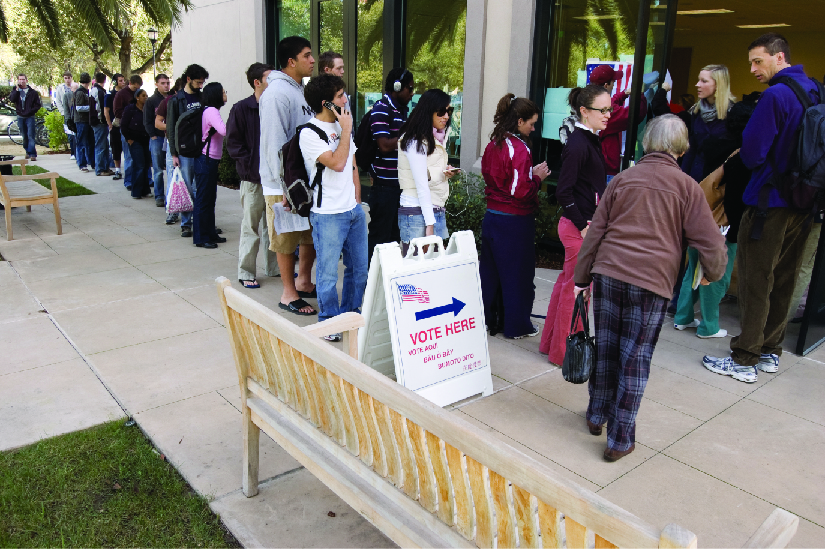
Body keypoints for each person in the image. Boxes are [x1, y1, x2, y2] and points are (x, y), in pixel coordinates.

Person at [574, 115, 727, 462]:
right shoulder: (688, 187)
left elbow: (596, 231)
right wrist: (713, 274)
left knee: (607, 348)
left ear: (646, 144)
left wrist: (582, 278)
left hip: (610, 272)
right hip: (652, 282)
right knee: (634, 359)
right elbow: (711, 243)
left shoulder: (623, 180)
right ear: (683, 148)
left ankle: (596, 415)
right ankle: (620, 438)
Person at [703, 33, 822, 383]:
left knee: (757, 279)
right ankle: (770, 351)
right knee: (785, 279)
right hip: (806, 202)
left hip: (769, 202)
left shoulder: (775, 96)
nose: (753, 69)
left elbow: (752, 153)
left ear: (779, 56)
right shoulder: (815, 90)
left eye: (758, 61)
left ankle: (744, 358)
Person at [540, 85, 610, 365]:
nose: (608, 115)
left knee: (567, 287)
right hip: (578, 227)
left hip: (579, 225)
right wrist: (583, 225)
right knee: (576, 291)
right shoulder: (579, 144)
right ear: (584, 111)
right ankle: (563, 353)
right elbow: (563, 191)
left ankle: (552, 346)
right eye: (602, 110)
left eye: (609, 109)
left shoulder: (586, 140)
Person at [674, 101, 755, 339]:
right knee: (716, 275)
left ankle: (682, 317)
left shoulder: (711, 145)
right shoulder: (742, 156)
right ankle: (709, 326)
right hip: (722, 224)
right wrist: (734, 231)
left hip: (700, 216)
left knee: (693, 269)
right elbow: (734, 200)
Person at [301, 74, 367, 339]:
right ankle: (328, 321)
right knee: (328, 273)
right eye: (340, 96)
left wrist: (357, 202)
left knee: (359, 269)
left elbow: (351, 166)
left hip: (352, 211)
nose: (346, 99)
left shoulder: (342, 128)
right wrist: (347, 130)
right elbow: (337, 162)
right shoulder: (309, 132)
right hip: (327, 214)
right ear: (326, 103)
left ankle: (350, 316)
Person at [480, 94, 550, 339]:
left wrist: (528, 175)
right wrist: (537, 178)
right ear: (519, 121)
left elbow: (500, 181)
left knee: (490, 274)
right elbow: (520, 191)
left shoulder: (493, 144)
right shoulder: (519, 148)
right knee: (518, 276)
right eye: (531, 123)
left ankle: (489, 321)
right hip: (515, 221)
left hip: (492, 217)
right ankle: (517, 326)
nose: (533, 129)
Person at [260, 36, 317, 315]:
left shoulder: (299, 90)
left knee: (307, 235)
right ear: (291, 61)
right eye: (307, 55)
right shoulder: (276, 94)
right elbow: (273, 143)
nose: (313, 60)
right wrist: (284, 185)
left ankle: (304, 281)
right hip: (282, 184)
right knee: (285, 237)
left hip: (303, 181)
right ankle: (288, 292)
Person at [227, 63, 280, 288]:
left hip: (275, 180)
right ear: (257, 82)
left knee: (274, 228)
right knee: (251, 226)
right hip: (253, 180)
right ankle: (246, 271)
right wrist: (250, 166)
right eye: (269, 78)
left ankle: (274, 268)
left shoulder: (276, 105)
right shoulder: (241, 109)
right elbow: (233, 143)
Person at [397, 89, 457, 254]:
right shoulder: (414, 140)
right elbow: (421, 184)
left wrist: (445, 172)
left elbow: (429, 174)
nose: (446, 116)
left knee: (433, 272)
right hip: (417, 212)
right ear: (429, 111)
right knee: (415, 274)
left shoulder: (436, 137)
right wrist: (430, 226)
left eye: (449, 111)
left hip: (434, 209)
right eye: (441, 111)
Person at [366, 67, 416, 262]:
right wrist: (408, 136)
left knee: (395, 238)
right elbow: (384, 145)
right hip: (384, 187)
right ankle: (372, 282)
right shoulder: (381, 108)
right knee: (380, 238)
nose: (411, 94)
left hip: (399, 185)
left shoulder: (401, 110)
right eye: (409, 89)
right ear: (397, 87)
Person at [165, 64, 209, 237]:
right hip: (184, 150)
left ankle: (199, 220)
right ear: (188, 79)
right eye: (198, 82)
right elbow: (171, 128)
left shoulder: (202, 97)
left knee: (201, 187)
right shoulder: (176, 101)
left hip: (202, 148)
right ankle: (186, 222)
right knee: (187, 187)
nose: (201, 85)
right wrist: (174, 153)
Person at [589, 64, 647, 177]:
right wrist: (640, 94)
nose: (614, 85)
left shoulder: (592, 102)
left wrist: (624, 94)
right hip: (605, 171)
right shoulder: (606, 112)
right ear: (606, 85)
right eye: (613, 83)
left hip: (596, 165)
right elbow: (635, 114)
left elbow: (612, 103)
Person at [681, 65, 736, 182]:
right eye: (698, 80)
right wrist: (682, 177)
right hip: (694, 177)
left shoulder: (733, 113)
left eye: (704, 81)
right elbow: (692, 148)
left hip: (717, 180)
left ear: (718, 85)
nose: (697, 84)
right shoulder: (696, 111)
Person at [192, 83, 228, 249]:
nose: (225, 94)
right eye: (223, 92)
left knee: (209, 198)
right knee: (203, 199)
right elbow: (223, 130)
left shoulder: (210, 111)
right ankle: (201, 237)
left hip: (208, 159)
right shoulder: (211, 111)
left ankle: (210, 232)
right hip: (206, 160)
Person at [156, 76, 184, 226]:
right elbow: (157, 122)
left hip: (190, 145)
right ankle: (172, 211)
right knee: (173, 178)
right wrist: (173, 128)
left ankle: (190, 212)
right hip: (172, 143)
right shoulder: (168, 102)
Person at [120, 89, 152, 199]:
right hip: (135, 140)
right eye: (143, 95)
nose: (145, 97)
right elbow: (123, 125)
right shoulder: (130, 109)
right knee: (139, 165)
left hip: (146, 140)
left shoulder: (147, 109)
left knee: (146, 165)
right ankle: (136, 191)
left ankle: (145, 189)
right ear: (137, 97)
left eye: (146, 95)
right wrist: (128, 138)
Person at [144, 73, 171, 207]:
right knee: (158, 169)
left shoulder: (173, 98)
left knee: (171, 168)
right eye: (163, 83)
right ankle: (159, 195)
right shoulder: (151, 101)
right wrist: (152, 135)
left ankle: (171, 195)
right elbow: (147, 120)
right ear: (157, 84)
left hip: (170, 137)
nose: (166, 86)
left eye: (167, 83)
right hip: (157, 138)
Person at [114, 75, 144, 189]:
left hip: (139, 130)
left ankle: (141, 180)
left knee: (141, 156)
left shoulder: (140, 93)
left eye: (138, 88)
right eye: (135, 88)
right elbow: (117, 111)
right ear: (130, 83)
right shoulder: (121, 94)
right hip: (127, 128)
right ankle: (129, 181)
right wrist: (130, 116)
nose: (136, 90)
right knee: (129, 156)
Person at [8, 74, 41, 162]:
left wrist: (30, 111)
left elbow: (38, 105)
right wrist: (16, 90)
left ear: (26, 80)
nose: (22, 81)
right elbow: (12, 100)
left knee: (31, 135)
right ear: (18, 81)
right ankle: (27, 151)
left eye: (23, 79)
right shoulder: (15, 90)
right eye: (20, 79)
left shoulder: (33, 92)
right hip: (20, 116)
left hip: (30, 116)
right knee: (24, 136)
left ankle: (33, 154)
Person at [90, 73, 113, 177]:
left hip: (96, 121)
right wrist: (104, 120)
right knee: (100, 146)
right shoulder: (99, 91)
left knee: (104, 145)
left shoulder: (94, 90)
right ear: (104, 80)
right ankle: (100, 169)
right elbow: (99, 108)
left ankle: (105, 167)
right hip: (99, 122)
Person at [73, 73, 95, 173]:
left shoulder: (87, 91)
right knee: (81, 143)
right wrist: (92, 108)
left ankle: (92, 162)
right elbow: (78, 108)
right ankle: (82, 164)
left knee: (90, 142)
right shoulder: (80, 92)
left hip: (88, 121)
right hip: (81, 121)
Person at [105, 73, 126, 179]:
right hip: (115, 125)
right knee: (116, 148)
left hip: (126, 125)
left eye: (123, 80)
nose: (123, 82)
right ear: (115, 82)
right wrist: (110, 124)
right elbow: (106, 110)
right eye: (120, 80)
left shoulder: (127, 93)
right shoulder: (110, 95)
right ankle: (117, 170)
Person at [55, 71, 76, 160]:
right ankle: (73, 152)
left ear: (71, 78)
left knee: (76, 133)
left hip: (75, 114)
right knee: (70, 133)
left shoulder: (75, 86)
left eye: (69, 78)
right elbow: (58, 101)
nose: (67, 80)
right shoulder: (60, 88)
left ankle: (77, 151)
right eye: (65, 78)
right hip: (67, 114)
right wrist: (63, 111)